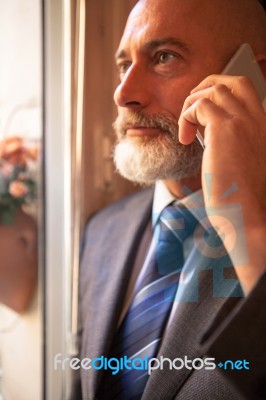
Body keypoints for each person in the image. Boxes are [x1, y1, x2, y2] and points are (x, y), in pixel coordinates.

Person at [75, 0, 266, 398]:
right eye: (124, 65)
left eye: (164, 57)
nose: (123, 94)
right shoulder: (101, 231)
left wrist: (245, 221)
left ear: (254, 77)